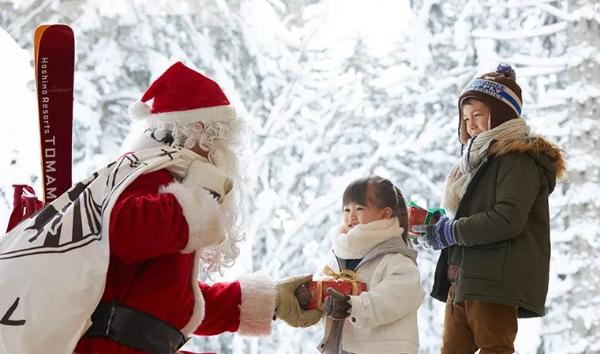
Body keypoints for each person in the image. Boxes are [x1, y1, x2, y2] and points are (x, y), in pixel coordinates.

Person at [59, 61, 322, 353]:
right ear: (199, 132)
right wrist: (194, 200)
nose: (226, 153)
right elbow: (124, 230)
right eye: (223, 139)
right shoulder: (144, 178)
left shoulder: (169, 189)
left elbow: (170, 304)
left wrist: (272, 300)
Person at [412, 64, 566, 354]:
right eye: (466, 117)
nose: (470, 124)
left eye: (478, 115)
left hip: (495, 282)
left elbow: (506, 220)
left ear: (501, 113)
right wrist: (439, 227)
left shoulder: (517, 160)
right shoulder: (480, 162)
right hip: (462, 280)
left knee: (495, 348)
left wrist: (451, 231)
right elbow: (474, 217)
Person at [318, 176, 424, 354]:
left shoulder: (397, 259)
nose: (351, 216)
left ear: (386, 213)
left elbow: (393, 298)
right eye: (346, 209)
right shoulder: (338, 256)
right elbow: (323, 297)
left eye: (359, 208)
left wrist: (353, 306)